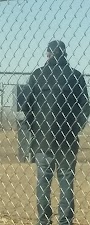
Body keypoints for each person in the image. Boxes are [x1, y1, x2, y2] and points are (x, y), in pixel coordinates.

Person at [24, 40, 90, 225]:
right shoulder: (75, 76)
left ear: (48, 54)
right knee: (66, 179)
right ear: (65, 54)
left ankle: (44, 221)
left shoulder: (37, 75)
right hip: (67, 139)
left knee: (43, 180)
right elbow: (85, 107)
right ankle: (65, 221)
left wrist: (33, 129)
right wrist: (75, 127)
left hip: (42, 139)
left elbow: (26, 106)